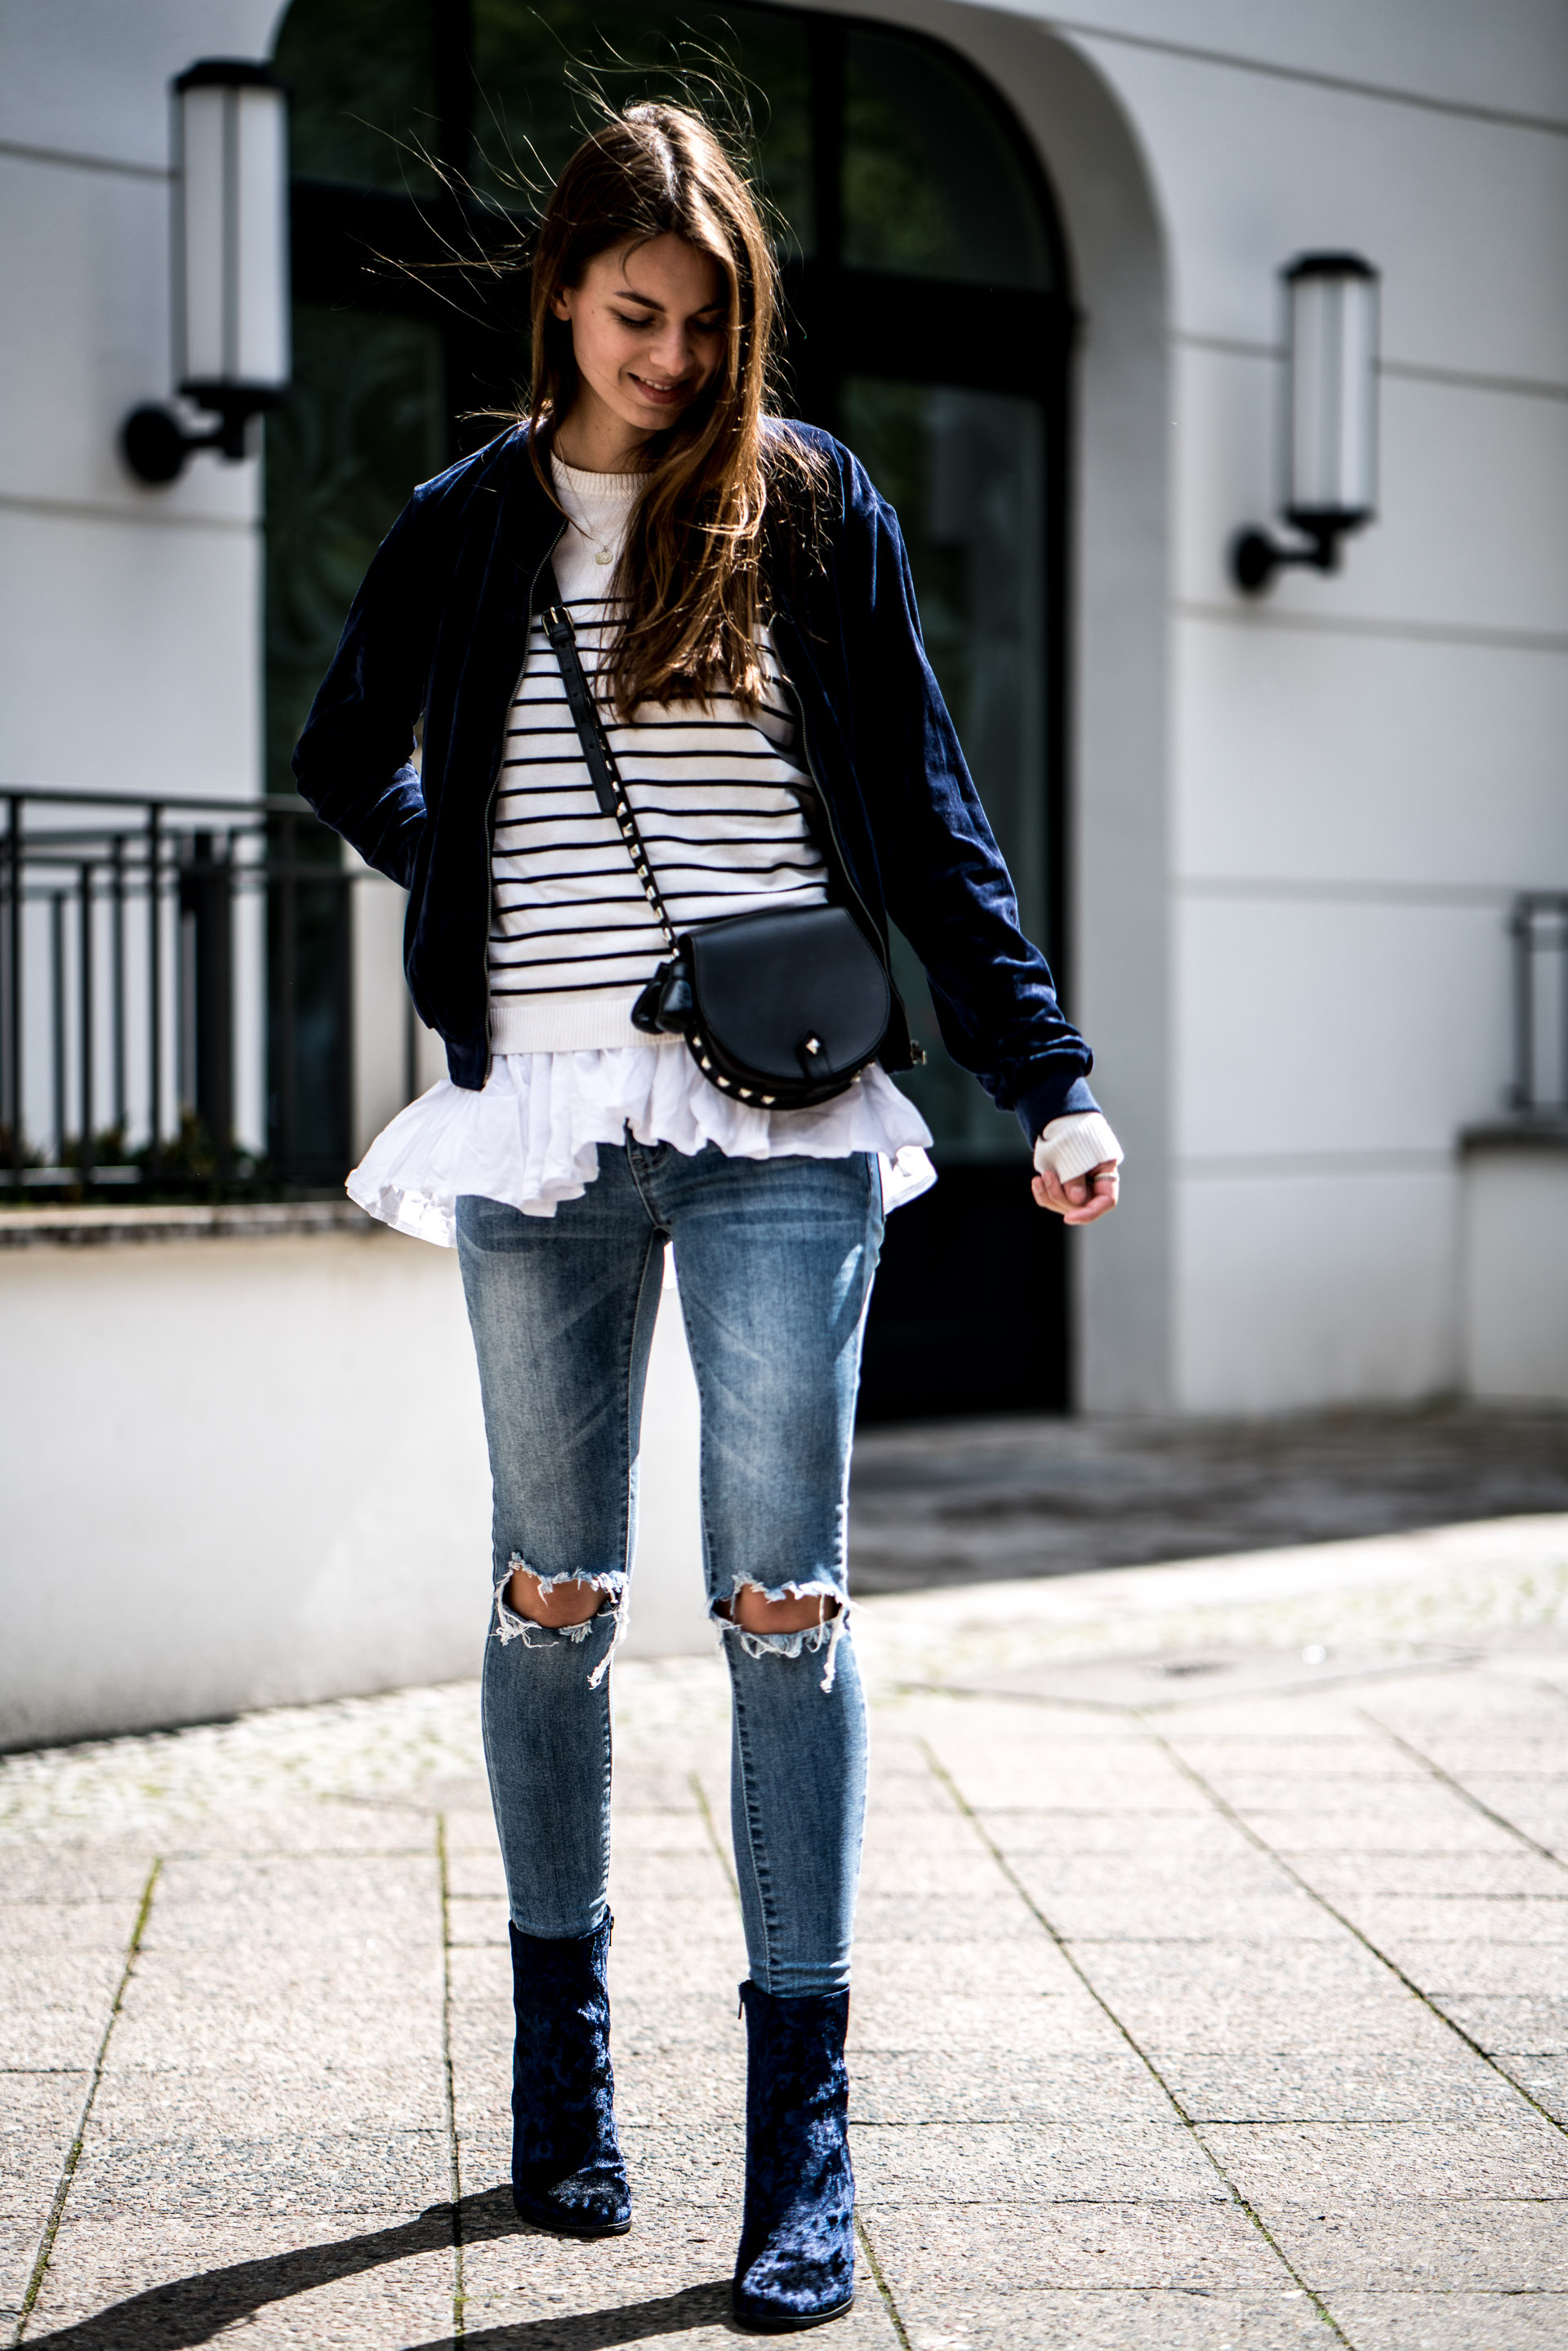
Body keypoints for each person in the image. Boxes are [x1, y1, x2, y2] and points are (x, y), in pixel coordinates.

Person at [293, 99, 1121, 2335]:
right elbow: (343, 749)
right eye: (639, 314)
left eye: (707, 320)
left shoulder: (811, 504)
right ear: (566, 292)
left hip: (781, 1118)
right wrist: (470, 877)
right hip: (542, 1121)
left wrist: (1043, 1074)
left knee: (783, 1601)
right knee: (552, 1592)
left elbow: (936, 823)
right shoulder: (474, 518)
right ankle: (563, 2074)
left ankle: (802, 2156)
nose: (671, 357)